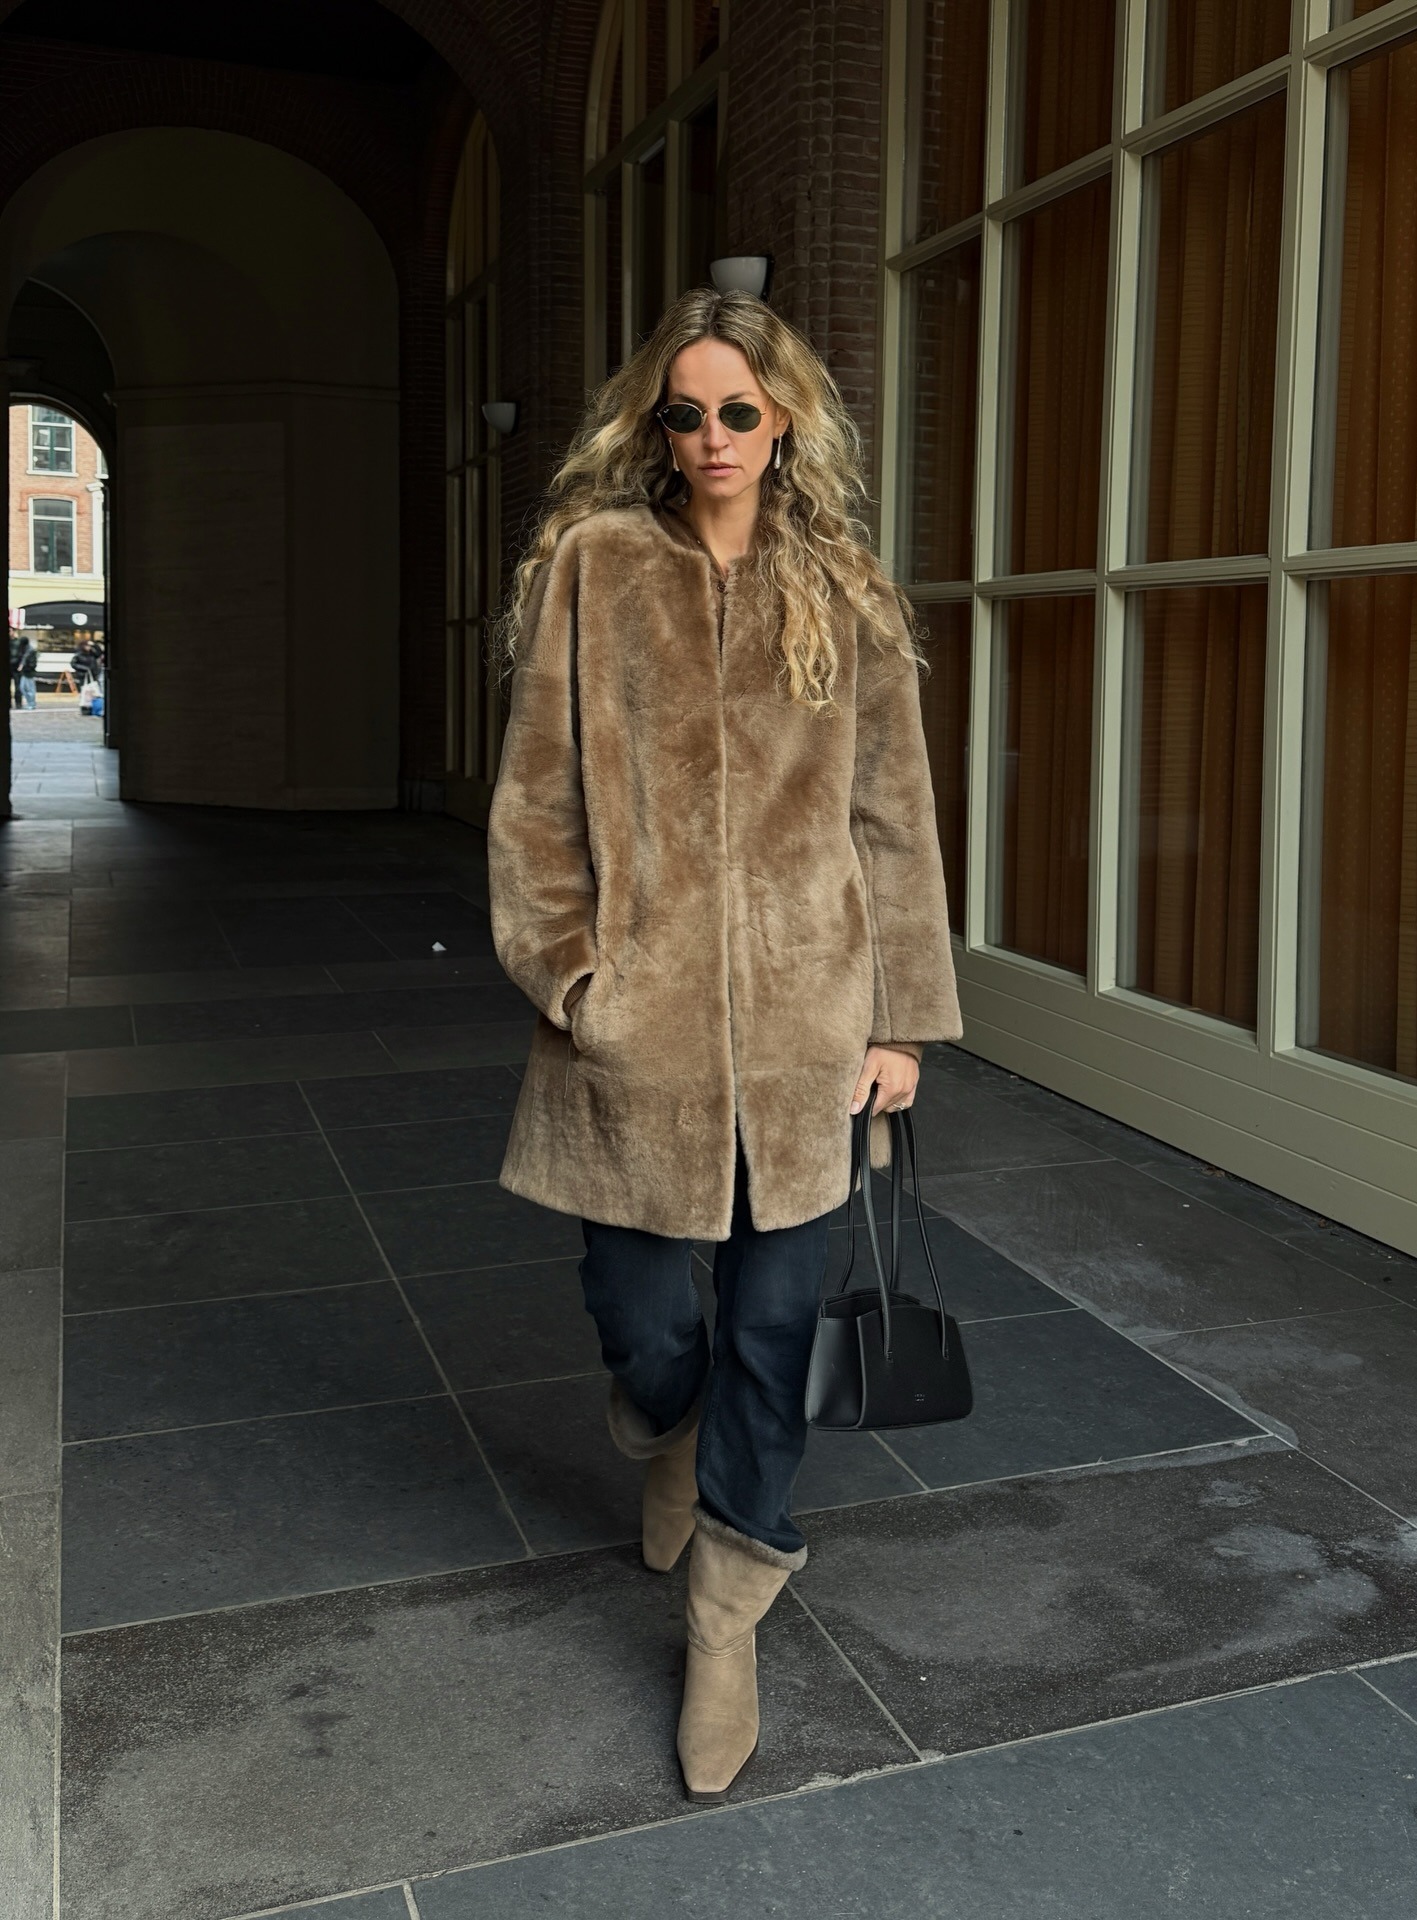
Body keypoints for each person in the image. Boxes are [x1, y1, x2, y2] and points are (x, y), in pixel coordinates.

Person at [487, 287, 962, 1803]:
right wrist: (573, 978)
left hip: (814, 1030)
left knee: (775, 1328)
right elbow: (535, 804)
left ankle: (727, 1612)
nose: (709, 440)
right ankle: (668, 1421)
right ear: (654, 423)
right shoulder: (595, 568)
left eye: (737, 412)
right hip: (635, 1027)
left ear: (787, 421)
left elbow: (892, 819)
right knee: (639, 1306)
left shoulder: (846, 590)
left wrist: (900, 1019)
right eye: (683, 413)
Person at [14, 636, 38, 710]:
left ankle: (32, 704)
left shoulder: (30, 650)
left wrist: (24, 666)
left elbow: (27, 659)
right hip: (25, 671)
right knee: (23, 688)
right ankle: (30, 703)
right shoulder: (24, 649)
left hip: (28, 672)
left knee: (29, 688)